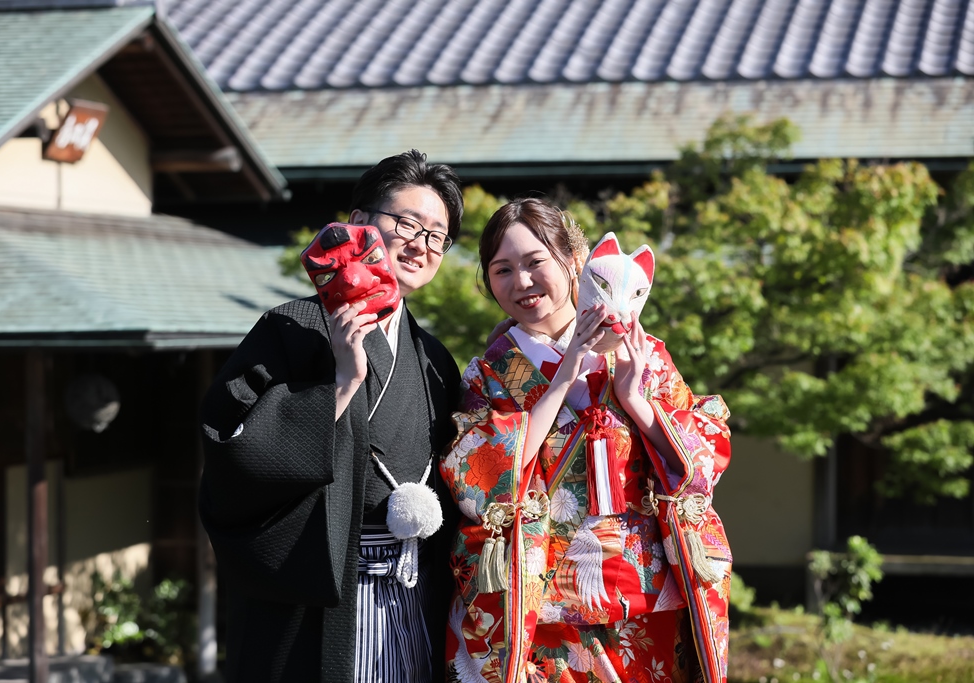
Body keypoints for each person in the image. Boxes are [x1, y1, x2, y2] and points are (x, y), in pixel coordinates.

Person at [441, 198, 733, 683]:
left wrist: (635, 399)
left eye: (535, 262)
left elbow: (702, 458)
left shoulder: (641, 353)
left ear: (575, 260)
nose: (522, 281)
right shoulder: (490, 374)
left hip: (649, 594)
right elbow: (480, 479)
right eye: (502, 270)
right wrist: (561, 381)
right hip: (543, 602)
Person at [199, 150, 463, 683]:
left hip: (413, 588)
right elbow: (230, 446)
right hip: (322, 592)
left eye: (437, 236)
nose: (421, 244)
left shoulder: (434, 358)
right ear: (359, 222)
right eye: (407, 224)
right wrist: (341, 384)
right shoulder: (290, 328)